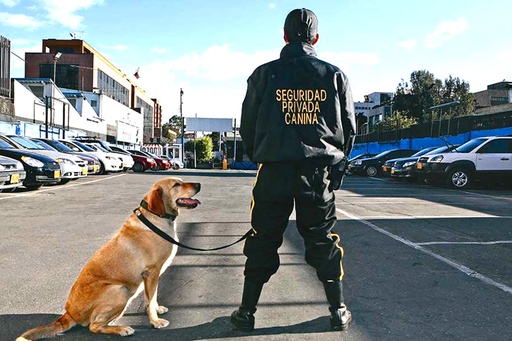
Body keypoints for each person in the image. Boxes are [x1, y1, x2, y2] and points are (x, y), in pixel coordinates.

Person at [231, 8, 357, 332]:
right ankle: (337, 310)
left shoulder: (263, 74)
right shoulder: (335, 75)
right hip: (316, 175)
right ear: (315, 38)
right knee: (321, 239)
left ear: (285, 36)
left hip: (273, 171)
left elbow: (248, 125)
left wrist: (261, 155)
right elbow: (349, 128)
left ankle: (246, 313)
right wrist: (338, 168)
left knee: (263, 238)